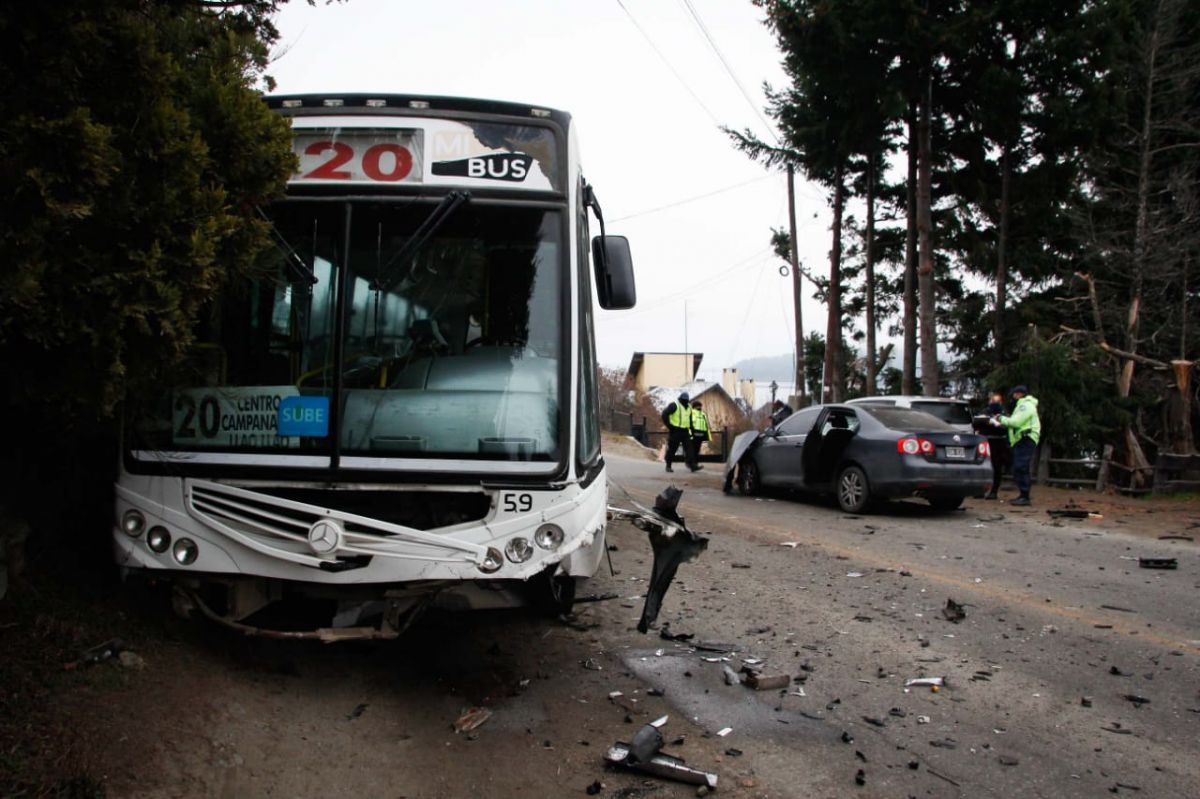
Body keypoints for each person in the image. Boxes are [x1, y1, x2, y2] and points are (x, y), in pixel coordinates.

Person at [996, 385, 1040, 506]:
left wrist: (1001, 418)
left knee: (1021, 467)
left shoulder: (1025, 405)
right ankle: (1023, 495)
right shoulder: (1023, 405)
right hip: (1021, 439)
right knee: (1019, 467)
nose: (1013, 396)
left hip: (1025, 438)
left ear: (1019, 394)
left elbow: (1016, 422)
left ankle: (1025, 496)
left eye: (1014, 393)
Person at [979, 392, 1012, 500]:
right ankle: (980, 490)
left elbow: (1007, 425)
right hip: (986, 441)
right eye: (993, 401)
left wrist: (999, 422)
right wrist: (987, 422)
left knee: (997, 467)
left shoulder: (1004, 413)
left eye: (997, 401)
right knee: (983, 465)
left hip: (999, 443)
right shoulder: (985, 412)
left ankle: (994, 491)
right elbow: (978, 423)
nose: (995, 403)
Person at [660, 391, 700, 473]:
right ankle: (668, 465)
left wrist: (692, 430)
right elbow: (664, 414)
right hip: (675, 431)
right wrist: (670, 426)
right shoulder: (674, 405)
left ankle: (692, 466)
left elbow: (689, 420)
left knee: (689, 449)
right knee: (672, 449)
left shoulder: (689, 407)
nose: (685, 401)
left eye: (686, 400)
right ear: (680, 399)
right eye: (683, 400)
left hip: (685, 431)